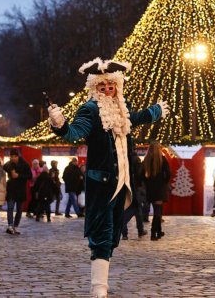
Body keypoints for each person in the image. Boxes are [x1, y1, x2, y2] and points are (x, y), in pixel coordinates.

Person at [48, 57, 169, 297]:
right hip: (102, 184)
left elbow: (134, 117)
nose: (107, 89)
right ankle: (98, 287)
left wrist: (154, 112)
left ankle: (101, 281)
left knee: (113, 235)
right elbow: (75, 132)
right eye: (102, 86)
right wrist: (60, 125)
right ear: (95, 87)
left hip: (123, 183)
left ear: (117, 86)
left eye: (110, 86)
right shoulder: (90, 109)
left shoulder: (121, 108)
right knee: (102, 234)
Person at [143, 142, 170, 241]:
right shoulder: (162, 160)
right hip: (159, 189)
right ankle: (153, 233)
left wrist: (147, 183)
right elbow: (168, 174)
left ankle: (158, 231)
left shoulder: (146, 160)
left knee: (157, 211)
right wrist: (164, 182)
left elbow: (141, 174)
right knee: (157, 212)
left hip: (150, 189)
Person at [3, 149, 33, 235]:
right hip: (11, 188)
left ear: (18, 156)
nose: (13, 158)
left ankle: (15, 226)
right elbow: (4, 167)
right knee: (10, 207)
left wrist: (19, 175)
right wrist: (11, 170)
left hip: (21, 189)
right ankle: (10, 225)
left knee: (19, 210)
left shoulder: (25, 164)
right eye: (11, 157)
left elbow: (30, 176)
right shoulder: (9, 164)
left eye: (14, 157)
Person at [121, 153, 147, 240]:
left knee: (129, 209)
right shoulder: (136, 159)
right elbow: (140, 175)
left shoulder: (122, 158)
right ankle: (140, 230)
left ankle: (125, 232)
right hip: (135, 187)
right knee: (136, 209)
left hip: (125, 187)